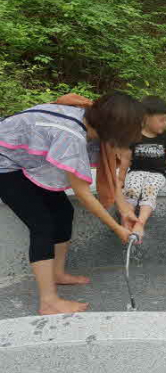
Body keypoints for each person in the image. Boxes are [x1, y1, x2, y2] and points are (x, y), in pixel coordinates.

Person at [0, 92, 144, 315]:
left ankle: (57, 274)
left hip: (25, 161)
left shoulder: (91, 120)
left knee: (63, 211)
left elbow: (109, 175)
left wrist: (124, 210)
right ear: (115, 130)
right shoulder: (71, 135)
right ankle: (48, 301)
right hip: (5, 163)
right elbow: (83, 194)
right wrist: (116, 228)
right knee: (42, 225)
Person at [119, 96, 166, 240]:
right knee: (131, 191)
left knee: (149, 191)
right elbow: (125, 158)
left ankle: (140, 222)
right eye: (161, 120)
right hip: (136, 172)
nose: (165, 123)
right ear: (145, 118)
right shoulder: (134, 135)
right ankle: (127, 219)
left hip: (157, 174)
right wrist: (121, 179)